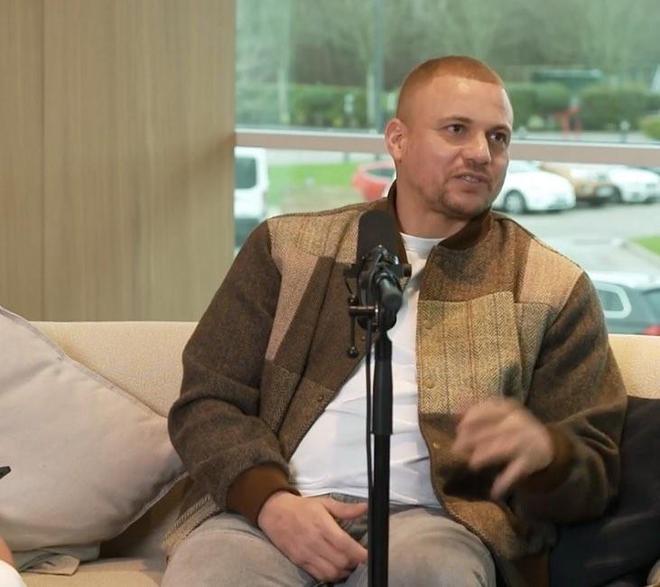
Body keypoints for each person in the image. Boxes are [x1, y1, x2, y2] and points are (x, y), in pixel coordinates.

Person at [162, 56, 626, 586]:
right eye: (457, 129)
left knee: (434, 573)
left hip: (433, 527)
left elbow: (598, 471)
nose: (481, 153)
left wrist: (550, 456)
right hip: (273, 515)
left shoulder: (551, 286)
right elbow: (207, 400)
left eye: (498, 137)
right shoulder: (286, 249)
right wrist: (269, 501)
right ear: (398, 140)